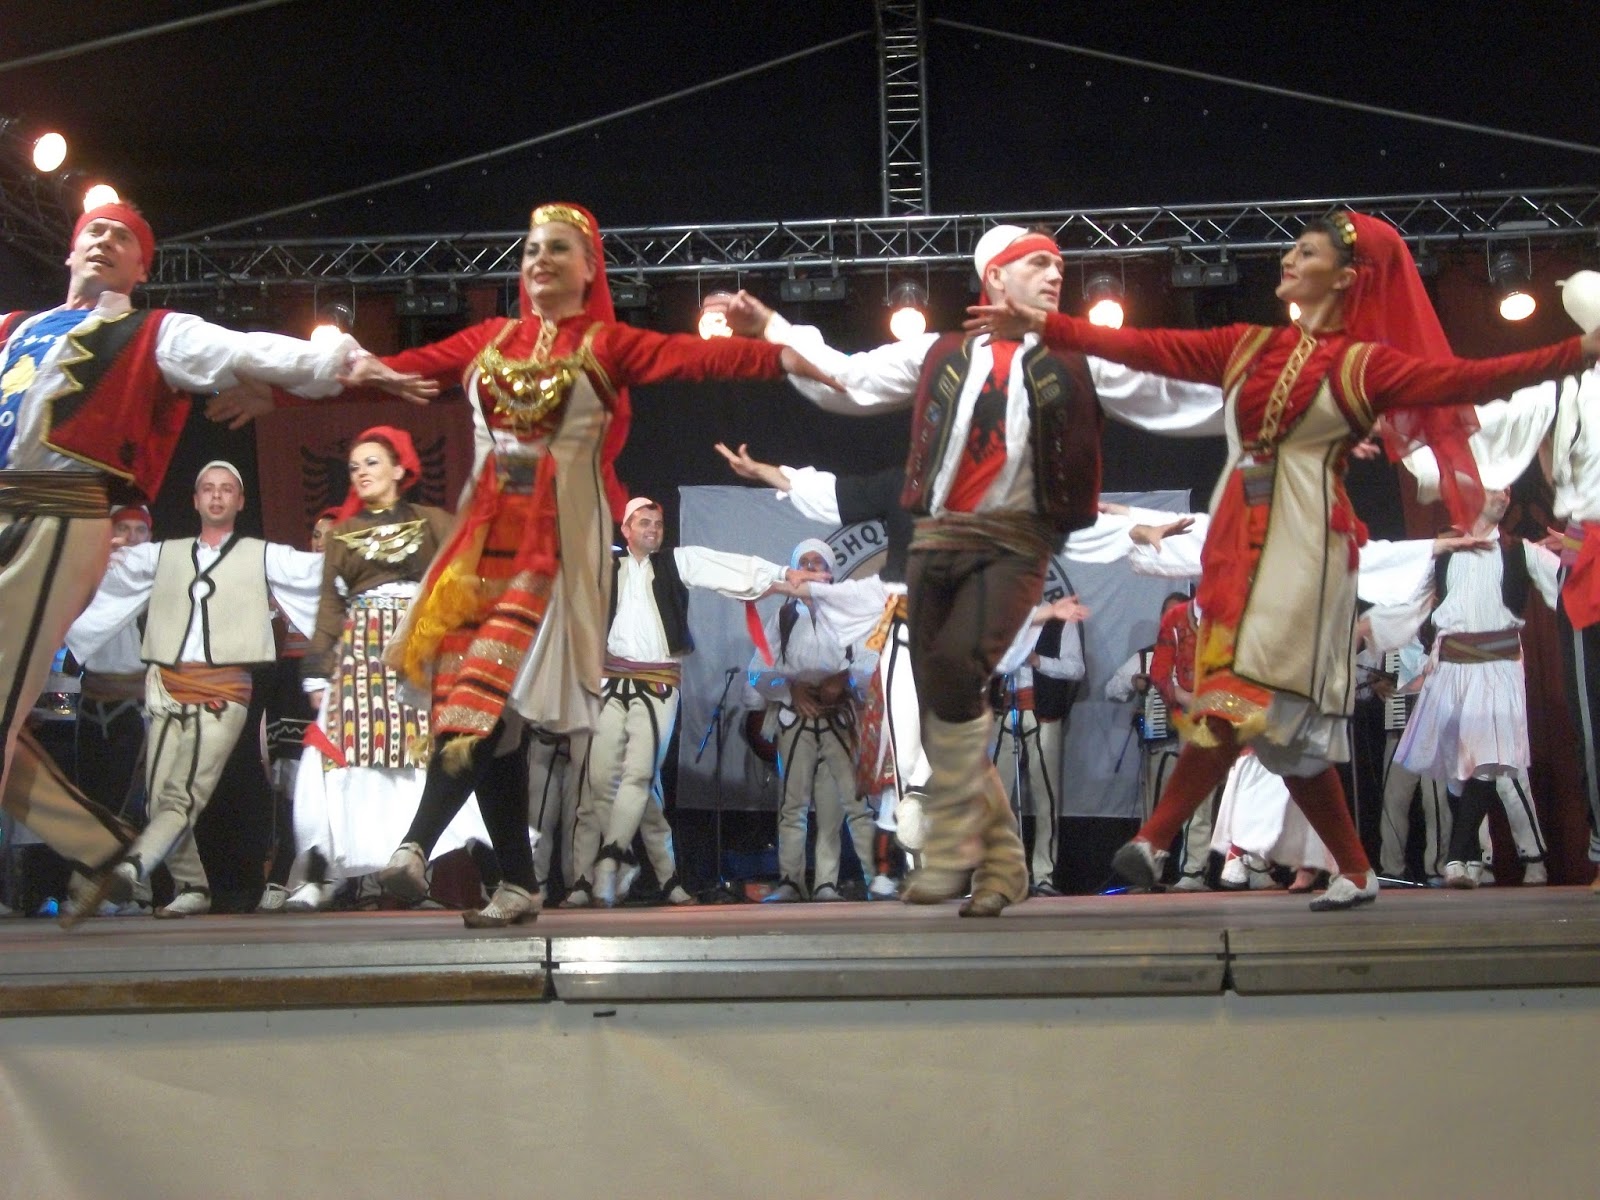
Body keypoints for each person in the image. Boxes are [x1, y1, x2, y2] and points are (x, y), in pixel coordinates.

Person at [968, 209, 1599, 910]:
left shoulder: (1365, 366)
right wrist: (1046, 329)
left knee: (1242, 694)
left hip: (1308, 547)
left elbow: (1473, 379)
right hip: (1241, 538)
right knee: (1282, 731)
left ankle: (1154, 835)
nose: (1288, 260)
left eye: (1305, 252)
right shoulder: (1247, 345)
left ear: (1347, 277)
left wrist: (1579, 353)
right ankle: (1356, 869)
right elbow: (1150, 347)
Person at [354, 202, 837, 927]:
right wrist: (287, 382)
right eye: (530, 248)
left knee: (479, 691)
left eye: (559, 248)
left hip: (556, 542)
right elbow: (387, 368)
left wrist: (788, 353)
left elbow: (695, 357)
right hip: (479, 546)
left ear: (589, 267)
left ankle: (414, 846)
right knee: (496, 723)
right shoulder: (491, 340)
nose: (540, 259)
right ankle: (517, 882)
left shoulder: (605, 345)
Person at [717, 224, 1223, 916]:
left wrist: (1296, 413)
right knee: (943, 710)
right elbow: (847, 378)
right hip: (933, 542)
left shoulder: (1078, 354)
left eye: (1058, 265)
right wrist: (773, 323)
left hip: (1014, 541)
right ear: (997, 277)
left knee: (956, 674)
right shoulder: (940, 352)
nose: (1055, 274)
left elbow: (1169, 395)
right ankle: (1000, 863)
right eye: (1039, 264)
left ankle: (960, 851)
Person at [0, 202, 429, 925]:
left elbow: (247, 350)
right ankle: (99, 848)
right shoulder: (11, 329)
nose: (105, 240)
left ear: (143, 267)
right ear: (70, 251)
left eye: (125, 238)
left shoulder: (153, 333)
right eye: (94, 231)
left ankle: (123, 854)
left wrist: (343, 361)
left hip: (60, 510)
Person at [67, 461, 324, 916]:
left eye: (227, 489)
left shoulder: (261, 555)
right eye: (208, 489)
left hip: (223, 692)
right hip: (167, 687)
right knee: (161, 790)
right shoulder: (162, 555)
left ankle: (131, 868)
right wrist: (95, 549)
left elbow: (317, 574)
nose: (217, 496)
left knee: (184, 794)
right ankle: (193, 885)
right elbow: (105, 574)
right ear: (195, 500)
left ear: (240, 501)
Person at [284, 427, 490, 910]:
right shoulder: (341, 533)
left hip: (419, 649)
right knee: (337, 758)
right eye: (355, 466)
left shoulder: (434, 521)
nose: (361, 473)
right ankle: (319, 871)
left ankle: (431, 872)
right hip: (360, 655)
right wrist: (317, 670)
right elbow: (330, 606)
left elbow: (465, 578)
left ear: (400, 469)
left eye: (372, 462)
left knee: (427, 757)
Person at [569, 495, 799, 908]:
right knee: (605, 783)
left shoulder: (676, 562)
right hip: (611, 682)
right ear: (625, 529)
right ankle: (665, 876)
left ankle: (611, 861)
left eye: (657, 524)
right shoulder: (605, 567)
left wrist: (779, 575)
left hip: (658, 683)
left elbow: (726, 566)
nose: (653, 530)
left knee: (639, 775)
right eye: (643, 523)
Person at [1388, 488, 1561, 887]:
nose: (1504, 495)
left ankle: (1460, 855)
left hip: (1497, 665)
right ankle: (1470, 858)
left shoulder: (1521, 552)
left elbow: (1570, 581)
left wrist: (1573, 548)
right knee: (1457, 766)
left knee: (1490, 760)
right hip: (1451, 666)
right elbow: (1408, 596)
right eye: (1493, 487)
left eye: (1507, 489)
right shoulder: (1445, 550)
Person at [746, 538, 880, 902]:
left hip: (840, 720)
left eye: (816, 562)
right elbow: (757, 671)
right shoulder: (784, 617)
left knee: (847, 805)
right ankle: (791, 881)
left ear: (829, 572)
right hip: (795, 720)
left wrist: (845, 679)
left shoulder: (851, 614)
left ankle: (843, 883)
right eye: (802, 562)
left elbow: (871, 663)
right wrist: (791, 690)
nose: (809, 568)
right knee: (792, 805)